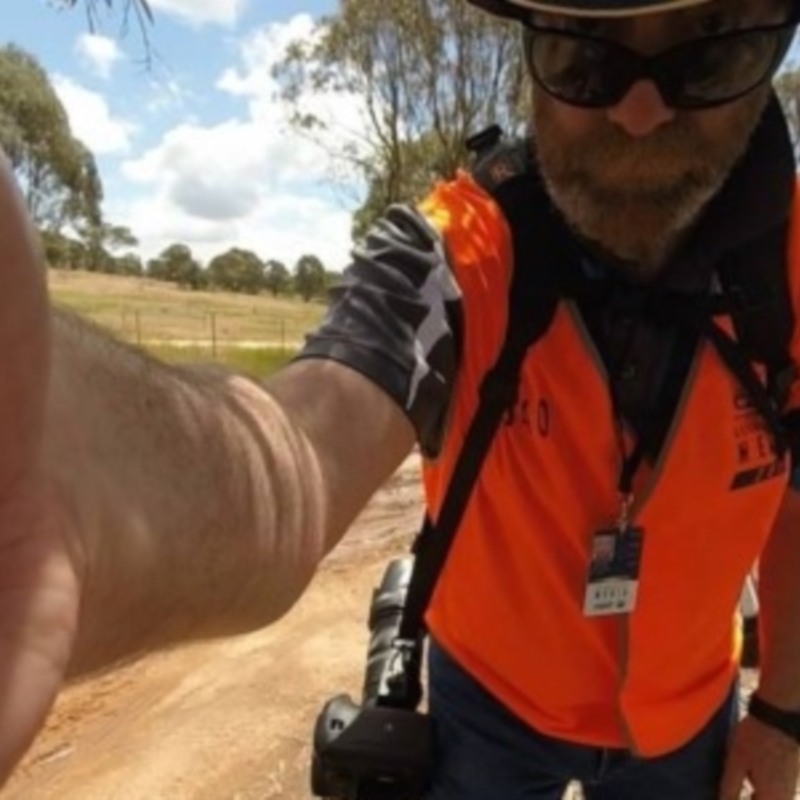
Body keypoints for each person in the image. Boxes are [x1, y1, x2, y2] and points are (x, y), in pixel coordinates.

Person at [1, 0, 800, 797]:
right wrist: (65, 497)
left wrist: (781, 711)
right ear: (532, 43)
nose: (639, 111)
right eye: (586, 43)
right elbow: (297, 455)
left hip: (683, 718)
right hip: (487, 705)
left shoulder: (793, 268)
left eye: (711, 44)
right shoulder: (454, 253)